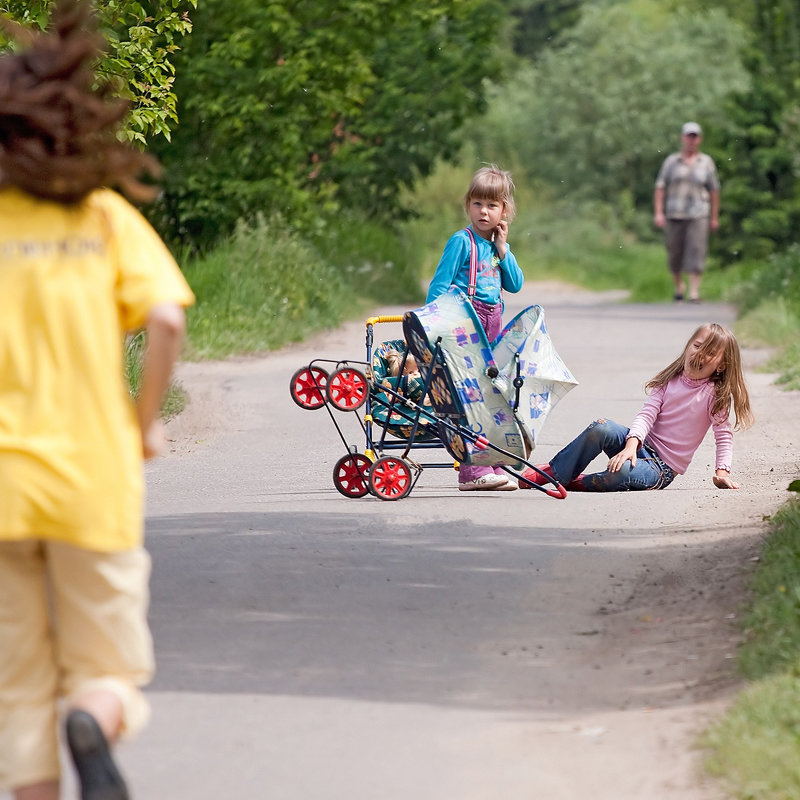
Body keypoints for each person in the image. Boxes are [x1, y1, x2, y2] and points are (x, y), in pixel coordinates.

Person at [0, 2, 195, 799]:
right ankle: (93, 716)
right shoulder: (105, 219)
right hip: (93, 480)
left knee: (17, 691)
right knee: (107, 672)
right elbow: (164, 319)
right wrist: (143, 425)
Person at [519, 323, 753, 492]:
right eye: (697, 345)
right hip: (640, 447)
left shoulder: (715, 395)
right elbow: (646, 415)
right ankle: (554, 473)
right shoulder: (669, 381)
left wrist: (722, 473)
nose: (699, 354)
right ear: (688, 346)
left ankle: (575, 481)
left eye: (710, 353)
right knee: (602, 428)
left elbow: (724, 437)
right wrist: (632, 445)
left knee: (618, 473)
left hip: (660, 469)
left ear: (722, 365)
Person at [426, 164, 525, 491]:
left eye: (492, 205)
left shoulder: (496, 247)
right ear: (467, 205)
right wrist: (433, 330)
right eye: (478, 204)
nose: (484, 211)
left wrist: (503, 248)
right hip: (464, 328)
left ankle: (492, 463)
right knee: (469, 397)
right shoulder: (461, 241)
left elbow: (515, 284)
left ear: (504, 211)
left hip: (491, 326)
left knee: (491, 396)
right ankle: (471, 472)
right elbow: (438, 288)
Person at [653, 121, 720, 304]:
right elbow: (660, 187)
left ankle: (694, 292)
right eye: (688, 136)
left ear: (699, 139)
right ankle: (678, 286)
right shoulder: (671, 162)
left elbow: (714, 190)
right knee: (675, 253)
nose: (691, 140)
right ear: (683, 138)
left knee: (697, 251)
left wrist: (714, 217)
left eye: (695, 136)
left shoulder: (706, 162)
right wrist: (658, 212)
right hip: (675, 213)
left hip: (699, 213)